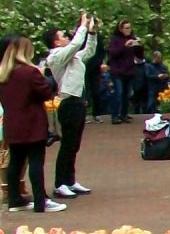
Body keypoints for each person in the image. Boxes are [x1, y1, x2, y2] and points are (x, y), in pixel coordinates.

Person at [1, 35, 66, 213]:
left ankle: (14, 200)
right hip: (32, 122)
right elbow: (46, 92)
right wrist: (46, 76)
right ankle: (40, 201)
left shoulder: (4, 73)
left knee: (16, 161)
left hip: (12, 123)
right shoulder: (29, 72)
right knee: (36, 161)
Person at [43, 12, 98, 199]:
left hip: (78, 102)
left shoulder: (72, 57)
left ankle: (70, 180)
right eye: (63, 36)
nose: (67, 37)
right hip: (68, 102)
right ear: (56, 42)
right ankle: (60, 184)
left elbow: (88, 51)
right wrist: (82, 25)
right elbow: (75, 44)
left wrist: (92, 33)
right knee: (67, 144)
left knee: (74, 144)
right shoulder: (56, 57)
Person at [106, 20, 143, 123]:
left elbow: (140, 56)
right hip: (117, 71)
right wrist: (124, 46)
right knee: (119, 92)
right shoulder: (115, 40)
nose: (128, 30)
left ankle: (124, 114)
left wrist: (139, 46)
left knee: (127, 94)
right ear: (121, 29)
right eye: (126, 28)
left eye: (129, 28)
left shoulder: (132, 38)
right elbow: (112, 54)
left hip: (129, 71)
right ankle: (115, 115)